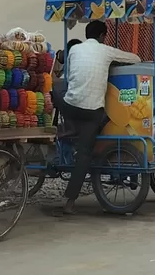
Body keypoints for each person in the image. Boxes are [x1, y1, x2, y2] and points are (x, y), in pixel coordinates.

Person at [58, 22, 142, 215]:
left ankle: (70, 128)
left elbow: (69, 75)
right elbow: (136, 58)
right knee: (85, 155)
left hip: (71, 108)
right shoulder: (106, 51)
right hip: (91, 113)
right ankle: (69, 202)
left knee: (57, 93)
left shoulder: (75, 49)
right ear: (103, 35)